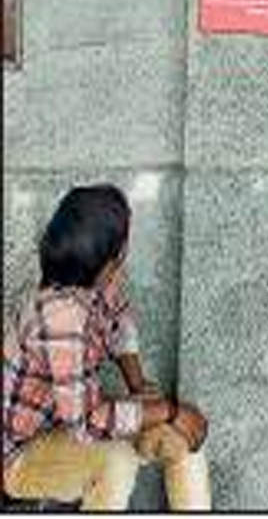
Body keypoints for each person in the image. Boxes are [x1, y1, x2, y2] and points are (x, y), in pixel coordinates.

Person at [3, 185, 211, 510]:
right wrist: (168, 409)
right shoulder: (60, 319)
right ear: (112, 255)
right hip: (21, 454)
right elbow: (85, 424)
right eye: (126, 238)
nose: (129, 245)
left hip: (71, 418)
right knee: (116, 460)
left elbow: (120, 321)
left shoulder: (97, 276)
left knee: (181, 437)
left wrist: (140, 387)